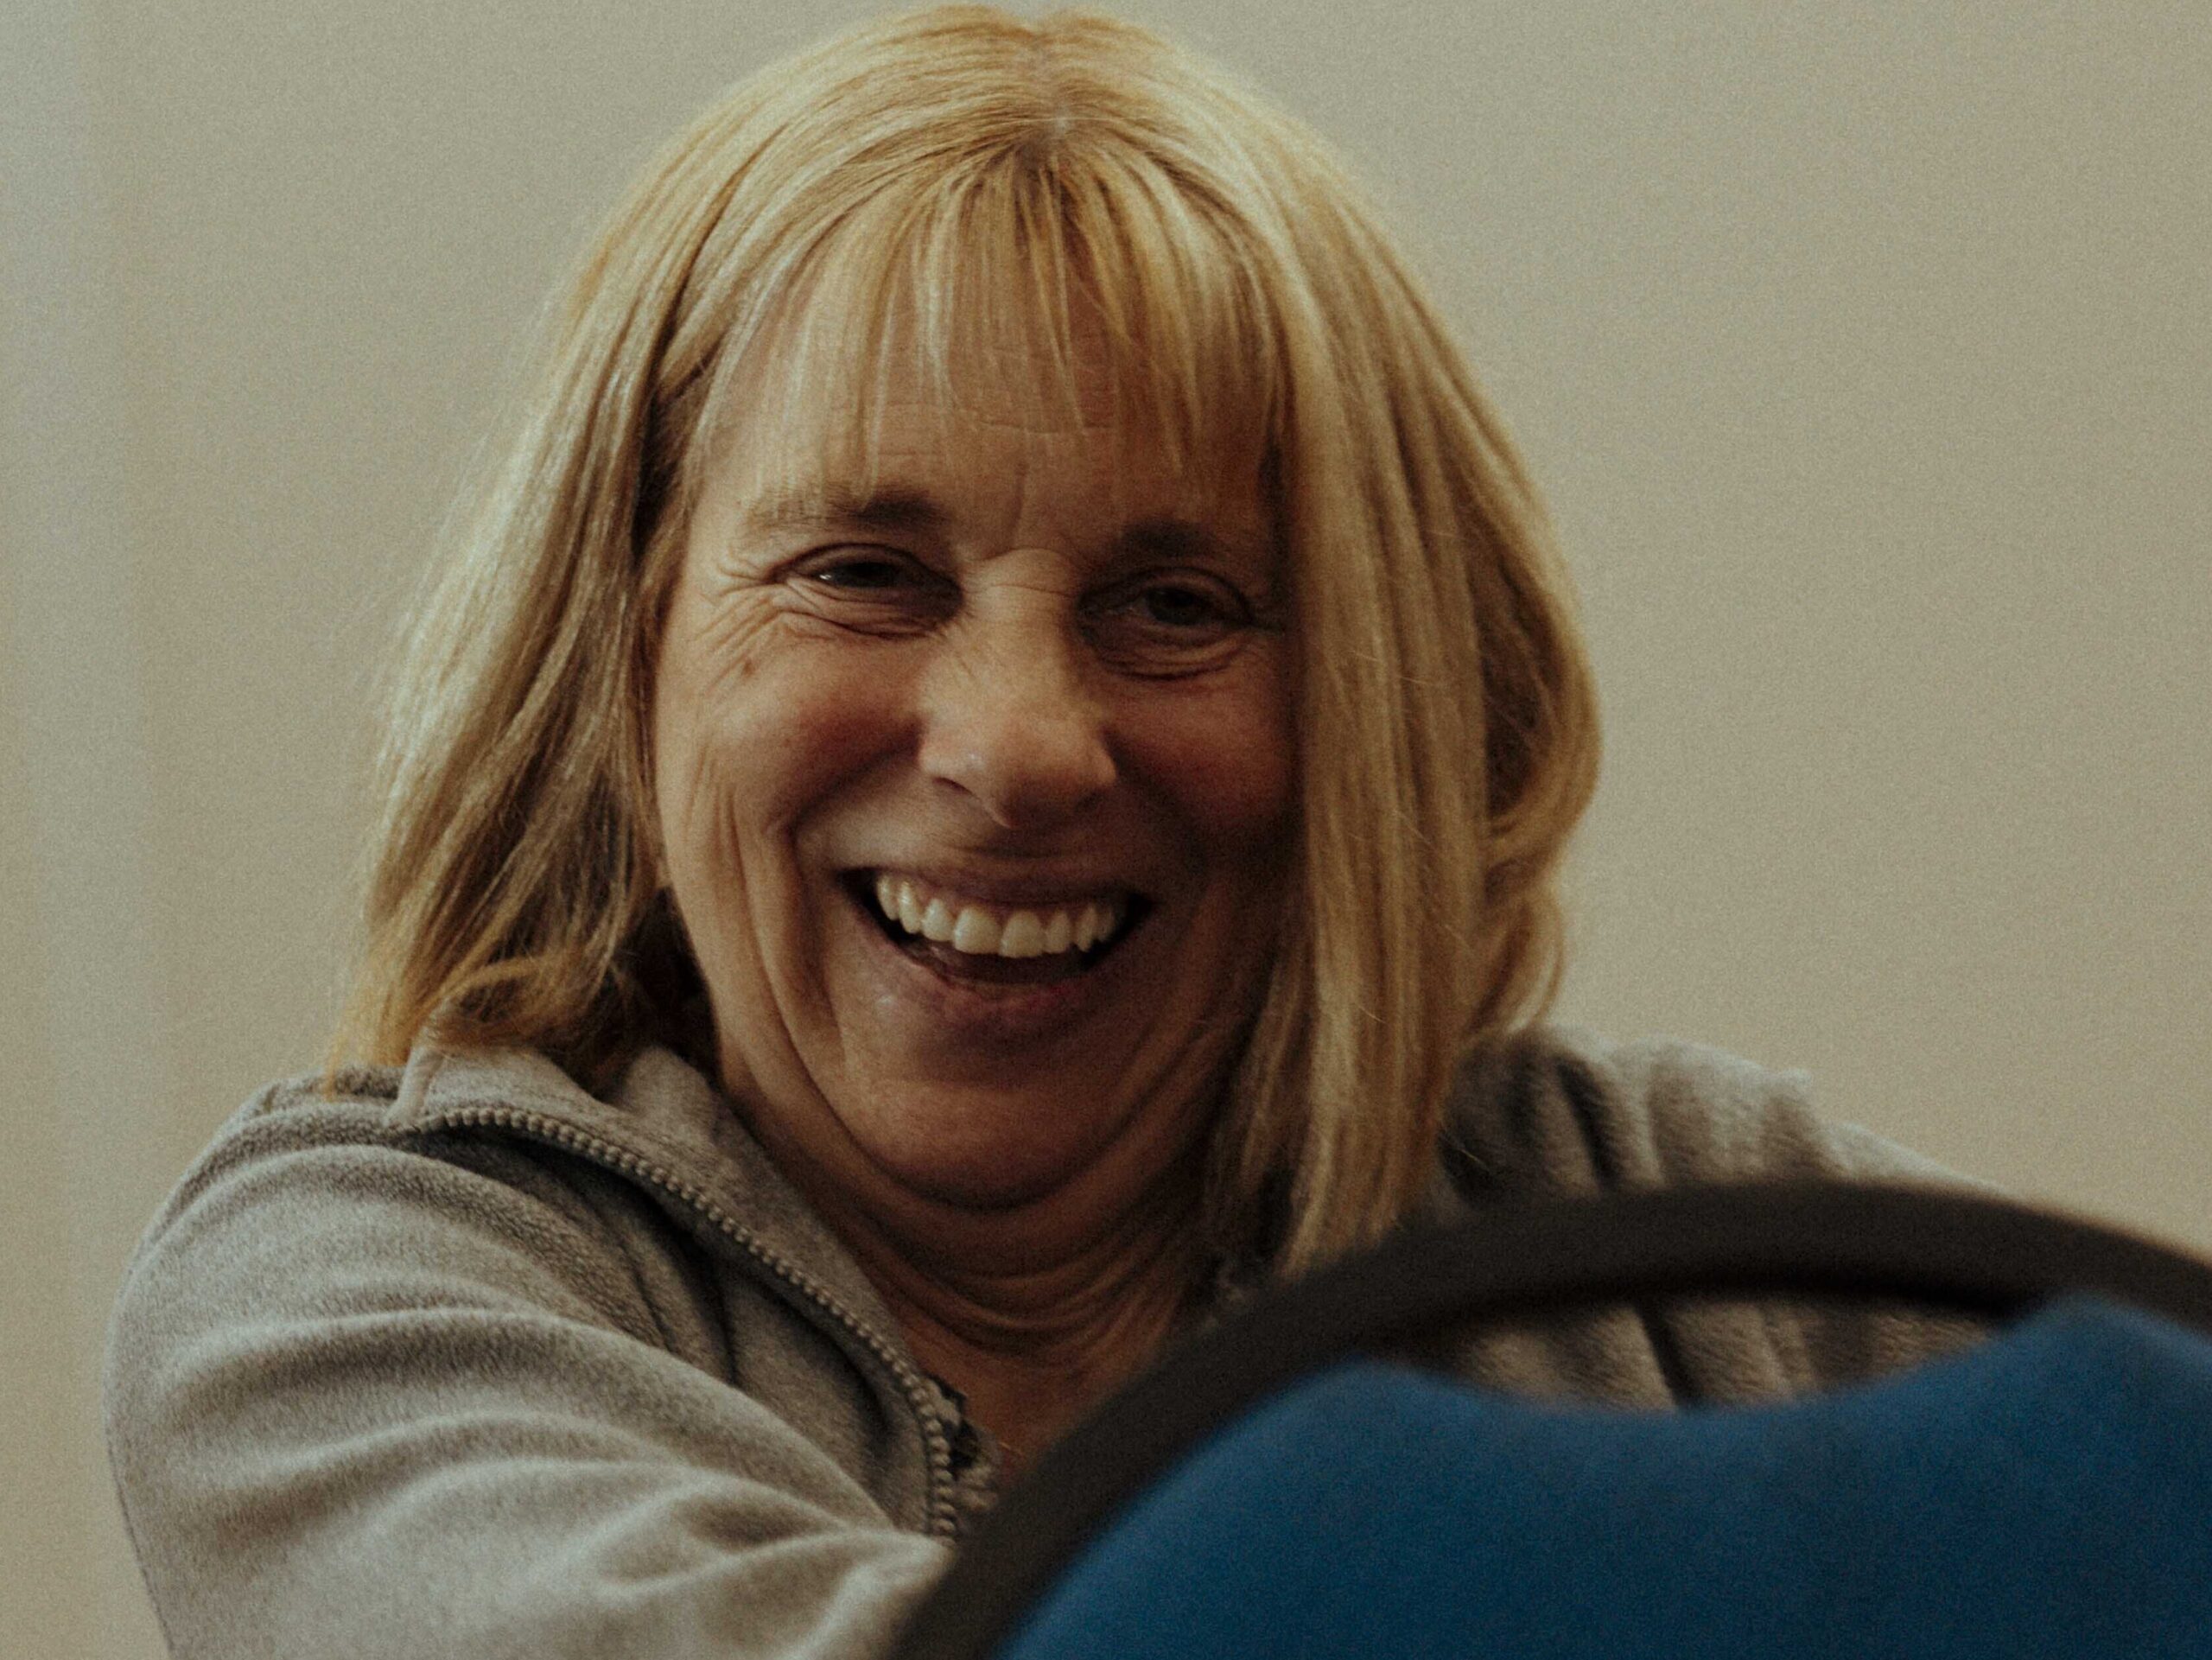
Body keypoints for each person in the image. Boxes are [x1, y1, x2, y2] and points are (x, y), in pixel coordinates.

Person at [104, 7, 1978, 1657]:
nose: (1016, 747)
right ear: (615, 650)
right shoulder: (343, 1298)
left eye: (1175, 604)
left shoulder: (1712, 1242)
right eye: (864, 572)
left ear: (1383, 708)